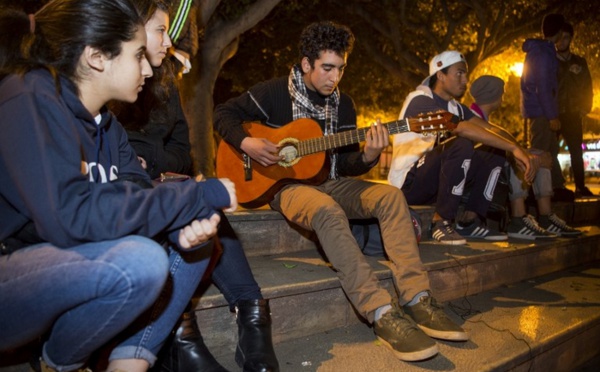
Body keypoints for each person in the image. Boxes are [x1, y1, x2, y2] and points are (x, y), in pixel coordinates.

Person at [0, 1, 237, 371]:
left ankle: (128, 366)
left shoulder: (107, 126)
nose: (148, 67)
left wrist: (182, 229)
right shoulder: (27, 97)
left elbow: (138, 196)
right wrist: (192, 194)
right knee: (141, 261)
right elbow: (69, 219)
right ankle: (59, 363)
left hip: (66, 266)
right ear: (97, 57)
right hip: (13, 277)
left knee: (197, 242)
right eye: (138, 54)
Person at [215, 21, 469, 363]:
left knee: (391, 197)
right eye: (327, 68)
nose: (334, 77)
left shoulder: (344, 104)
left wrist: (368, 155)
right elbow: (223, 113)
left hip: (332, 180)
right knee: (326, 209)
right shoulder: (273, 92)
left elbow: (346, 164)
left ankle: (417, 298)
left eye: (341, 68)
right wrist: (246, 142)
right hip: (283, 185)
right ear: (307, 64)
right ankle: (380, 312)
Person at [112, 1, 278, 370]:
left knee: (203, 198)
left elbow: (181, 152)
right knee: (184, 202)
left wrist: (153, 165)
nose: (170, 41)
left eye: (170, 31)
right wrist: (134, 167)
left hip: (160, 176)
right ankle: (181, 333)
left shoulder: (166, 77)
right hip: (129, 187)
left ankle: (253, 317)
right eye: (161, 31)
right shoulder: (109, 83)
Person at [388, 51, 533, 245]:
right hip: (409, 184)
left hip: (434, 183)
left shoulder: (456, 107)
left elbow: (490, 129)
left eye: (465, 74)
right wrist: (514, 149)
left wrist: (518, 149)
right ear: (440, 75)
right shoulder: (420, 99)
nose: (465, 80)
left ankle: (470, 221)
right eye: (459, 73)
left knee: (494, 150)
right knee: (461, 142)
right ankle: (441, 222)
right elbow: (461, 128)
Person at [469, 75, 581, 239]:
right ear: (492, 95)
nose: (503, 96)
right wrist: (525, 155)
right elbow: (493, 143)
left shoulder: (481, 116)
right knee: (521, 158)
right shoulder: (471, 116)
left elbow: (502, 137)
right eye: (502, 92)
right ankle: (518, 219)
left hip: (488, 167)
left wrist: (533, 155)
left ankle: (546, 216)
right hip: (477, 174)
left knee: (537, 154)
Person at [520, 13, 574, 202]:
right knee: (540, 152)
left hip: (541, 110)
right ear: (559, 32)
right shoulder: (543, 54)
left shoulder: (543, 51)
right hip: (541, 111)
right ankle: (531, 193)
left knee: (549, 152)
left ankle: (555, 188)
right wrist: (552, 116)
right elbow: (543, 88)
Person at [556, 22, 595, 198]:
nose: (562, 41)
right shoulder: (550, 61)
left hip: (573, 113)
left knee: (576, 152)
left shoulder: (580, 61)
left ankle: (580, 186)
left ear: (571, 39)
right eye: (559, 37)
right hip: (555, 113)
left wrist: (585, 108)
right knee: (550, 150)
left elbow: (588, 87)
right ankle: (556, 187)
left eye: (565, 37)